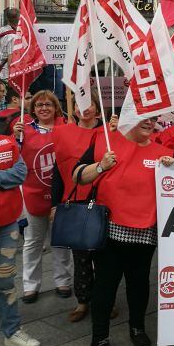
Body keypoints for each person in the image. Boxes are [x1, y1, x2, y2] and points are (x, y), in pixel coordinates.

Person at [74, 118, 174, 346]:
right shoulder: (105, 142)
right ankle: (99, 338)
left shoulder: (164, 152)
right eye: (142, 118)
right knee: (106, 285)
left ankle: (137, 328)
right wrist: (100, 166)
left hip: (145, 230)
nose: (149, 123)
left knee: (139, 284)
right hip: (111, 229)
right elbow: (77, 175)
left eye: (152, 119)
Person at [0, 93, 40, 346]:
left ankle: (12, 331)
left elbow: (20, 173)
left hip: (6, 225)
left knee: (4, 281)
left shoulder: (6, 141)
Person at [51, 90, 106, 323]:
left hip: (104, 201)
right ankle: (83, 301)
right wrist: (55, 203)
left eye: (89, 103)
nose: (85, 109)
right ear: (73, 109)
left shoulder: (108, 133)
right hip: (75, 202)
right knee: (81, 256)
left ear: (96, 106)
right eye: (80, 104)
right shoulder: (63, 134)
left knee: (104, 258)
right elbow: (58, 170)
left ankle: (105, 300)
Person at [14, 90, 71, 303]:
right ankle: (30, 285)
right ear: (33, 109)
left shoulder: (66, 128)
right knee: (32, 242)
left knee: (61, 241)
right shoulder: (23, 131)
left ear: (56, 107)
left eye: (48, 104)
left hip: (61, 195)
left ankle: (63, 280)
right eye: (39, 105)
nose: (44, 108)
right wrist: (14, 138)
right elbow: (14, 156)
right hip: (33, 193)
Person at [0, 7, 19, 80]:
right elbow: (11, 59)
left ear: (7, 18)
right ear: (19, 19)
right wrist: (13, 77)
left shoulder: (1, 30)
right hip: (7, 75)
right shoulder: (12, 37)